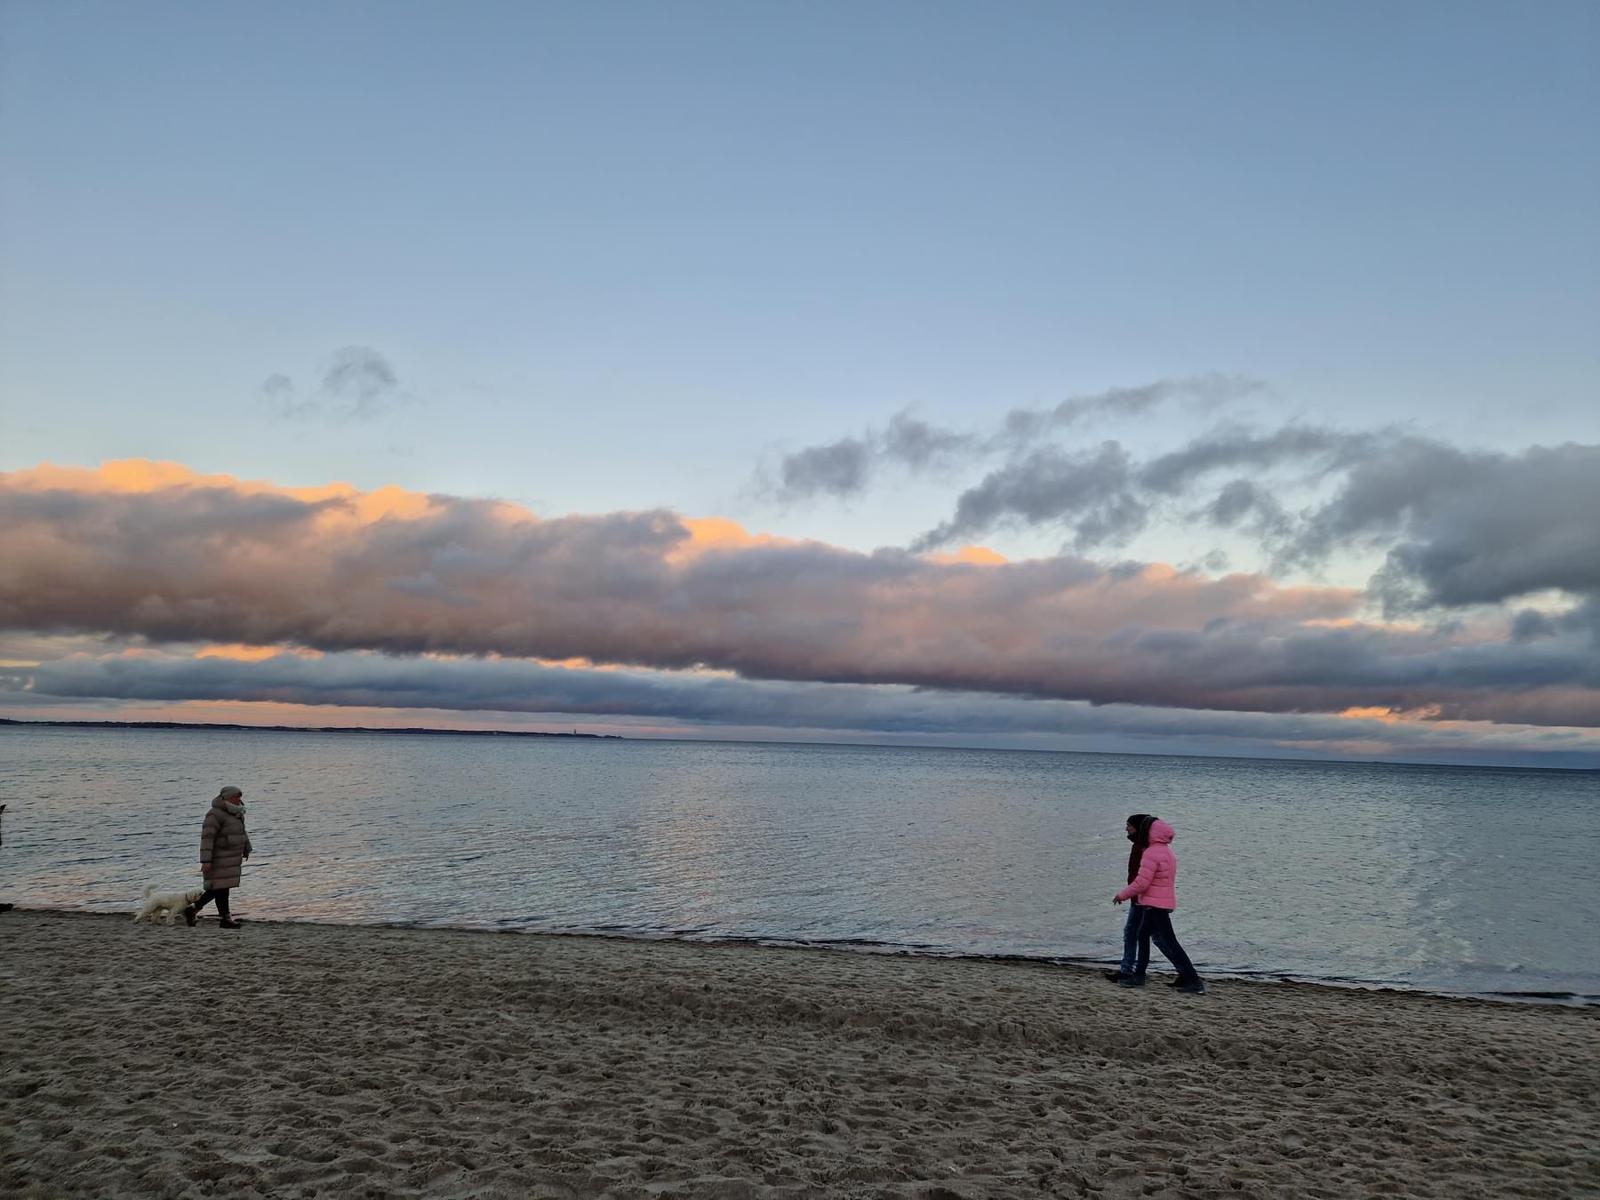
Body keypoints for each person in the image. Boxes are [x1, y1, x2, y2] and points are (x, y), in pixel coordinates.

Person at [1112, 818, 1205, 993]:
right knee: (1142, 935)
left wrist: (1122, 895)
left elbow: (1142, 883)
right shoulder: (1168, 852)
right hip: (1159, 902)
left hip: (1155, 905)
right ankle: (1139, 976)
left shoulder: (1151, 853)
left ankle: (1193, 980)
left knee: (1169, 941)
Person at [184, 786, 251, 929]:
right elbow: (207, 839)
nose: (238, 799)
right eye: (235, 797)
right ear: (226, 798)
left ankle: (220, 917)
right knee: (218, 888)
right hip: (218, 857)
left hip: (231, 856)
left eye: (239, 796)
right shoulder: (214, 814)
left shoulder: (237, 812)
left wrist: (246, 848)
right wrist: (206, 860)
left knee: (222, 888)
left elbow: (242, 833)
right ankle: (197, 910)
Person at [1105, 813, 1155, 983]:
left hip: (1142, 898)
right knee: (1137, 934)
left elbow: (1142, 878)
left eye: (1129, 825)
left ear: (1138, 827)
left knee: (1145, 936)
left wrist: (1125, 894)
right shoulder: (1140, 845)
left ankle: (1130, 970)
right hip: (1139, 897)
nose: (1126, 828)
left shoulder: (1144, 848)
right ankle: (1129, 969)